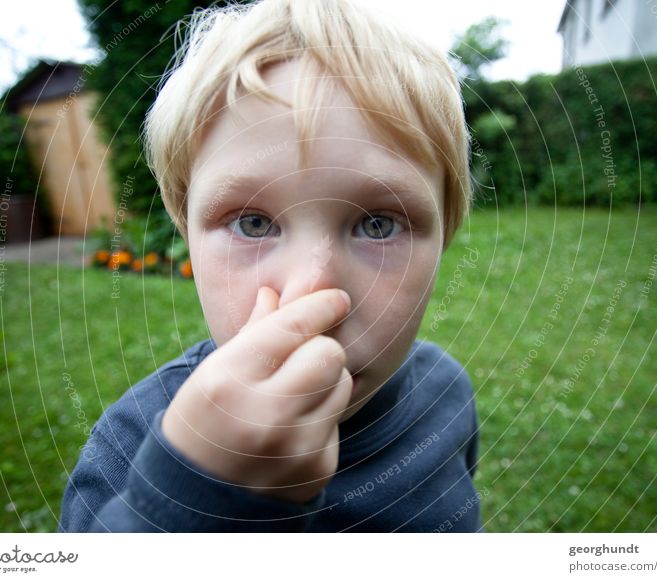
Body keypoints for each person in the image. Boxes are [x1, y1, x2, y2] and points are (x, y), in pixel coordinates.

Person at [59, 0, 480, 532]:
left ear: (447, 234)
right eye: (253, 224)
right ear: (186, 235)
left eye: (377, 224)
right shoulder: (130, 449)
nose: (312, 294)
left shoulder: (446, 395)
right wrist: (194, 497)